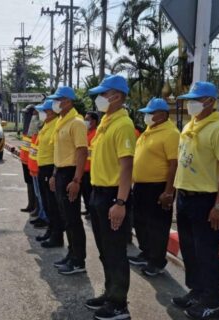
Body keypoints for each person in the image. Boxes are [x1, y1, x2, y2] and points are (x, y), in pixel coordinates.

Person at [171, 82, 219, 320]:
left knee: (207, 252)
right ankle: (196, 291)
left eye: (195, 99)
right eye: (190, 99)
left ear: (209, 101)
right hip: (186, 197)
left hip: (206, 201)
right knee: (189, 249)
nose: (191, 103)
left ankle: (212, 304)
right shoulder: (190, 125)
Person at [85, 75, 136, 319]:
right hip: (98, 193)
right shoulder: (106, 122)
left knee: (116, 252)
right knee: (105, 250)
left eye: (103, 94)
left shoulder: (123, 124)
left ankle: (119, 304)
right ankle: (109, 292)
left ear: (116, 96)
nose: (99, 99)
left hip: (113, 196)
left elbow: (126, 166)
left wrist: (120, 202)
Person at [128, 98, 179, 277]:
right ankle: (146, 252)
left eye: (151, 113)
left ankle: (157, 261)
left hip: (158, 187)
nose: (147, 116)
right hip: (141, 186)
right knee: (140, 222)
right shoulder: (148, 131)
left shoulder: (170, 133)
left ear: (163, 114)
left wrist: (169, 191)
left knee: (157, 225)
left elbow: (174, 164)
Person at [47, 87, 88, 275]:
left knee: (73, 219)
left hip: (72, 173)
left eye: (59, 99)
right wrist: (55, 174)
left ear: (69, 101)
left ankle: (78, 260)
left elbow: (81, 152)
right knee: (66, 217)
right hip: (61, 172)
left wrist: (77, 180)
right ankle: (71, 255)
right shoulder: (61, 121)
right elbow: (59, 152)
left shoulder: (77, 123)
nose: (56, 103)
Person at [35, 100, 63, 244]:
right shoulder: (46, 125)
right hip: (42, 167)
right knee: (46, 203)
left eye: (43, 111)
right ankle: (50, 230)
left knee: (53, 204)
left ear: (51, 112)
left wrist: (53, 173)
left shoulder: (56, 126)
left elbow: (58, 151)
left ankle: (57, 235)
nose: (41, 114)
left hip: (50, 168)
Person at [27, 106, 48, 229]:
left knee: (43, 196)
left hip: (40, 169)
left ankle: (44, 217)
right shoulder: (37, 134)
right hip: (34, 170)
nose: (32, 120)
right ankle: (41, 215)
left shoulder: (44, 131)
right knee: (39, 196)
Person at [19, 105, 37, 215]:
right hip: (25, 161)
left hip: (32, 161)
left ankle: (34, 206)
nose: (25, 116)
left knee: (33, 185)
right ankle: (30, 205)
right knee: (28, 183)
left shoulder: (34, 128)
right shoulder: (26, 129)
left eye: (27, 114)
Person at [82, 111, 99, 220]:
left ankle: (92, 212)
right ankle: (88, 209)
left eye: (88, 119)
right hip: (84, 168)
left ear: (94, 121)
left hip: (92, 169)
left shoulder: (96, 133)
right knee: (85, 191)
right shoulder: (86, 133)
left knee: (90, 192)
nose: (86, 121)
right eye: (85, 119)